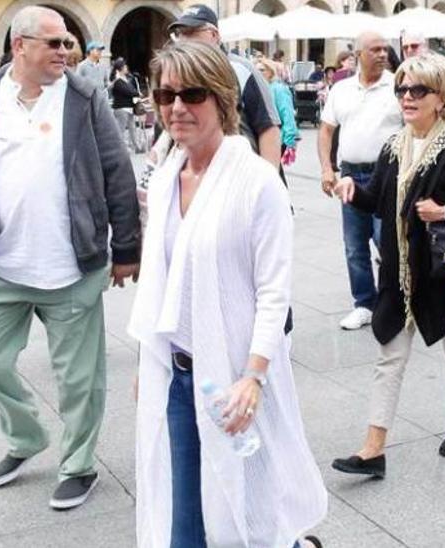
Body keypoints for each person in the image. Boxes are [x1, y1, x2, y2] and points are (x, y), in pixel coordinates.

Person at [0, 6, 141, 511]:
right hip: (2, 264)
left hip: (73, 266)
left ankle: (79, 464)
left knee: (78, 380)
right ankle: (26, 437)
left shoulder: (84, 97)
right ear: (19, 46)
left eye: (68, 43)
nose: (65, 52)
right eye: (54, 43)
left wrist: (126, 249)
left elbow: (117, 172)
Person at [127, 40, 325, 548]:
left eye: (191, 94)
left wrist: (254, 378)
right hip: (176, 374)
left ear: (220, 98)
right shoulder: (169, 174)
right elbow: (163, 280)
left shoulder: (258, 184)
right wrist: (147, 359)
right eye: (164, 94)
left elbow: (273, 292)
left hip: (235, 380)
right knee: (184, 520)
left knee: (251, 510)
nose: (176, 107)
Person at [329, 51, 445, 478]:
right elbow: (380, 199)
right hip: (398, 272)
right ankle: (373, 447)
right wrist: (352, 189)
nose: (406, 96)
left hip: (441, 271)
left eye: (417, 89)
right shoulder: (393, 147)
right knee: (390, 357)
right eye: (402, 88)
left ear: (441, 98)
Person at [318, 32, 404, 331]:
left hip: (389, 174)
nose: (382, 54)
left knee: (387, 241)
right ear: (358, 54)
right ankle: (364, 304)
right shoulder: (341, 89)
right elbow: (326, 130)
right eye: (375, 49)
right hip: (351, 174)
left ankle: (396, 299)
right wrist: (327, 169)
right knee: (355, 245)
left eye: (385, 49)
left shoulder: (398, 84)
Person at [167, 4, 282, 167]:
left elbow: (268, 127)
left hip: (243, 175)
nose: (185, 40)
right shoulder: (180, 75)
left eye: (191, 32)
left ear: (214, 35)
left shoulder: (240, 70)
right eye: (181, 34)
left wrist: (268, 182)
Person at [258, 58, 299, 164]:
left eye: (262, 70)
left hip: (278, 137)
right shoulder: (259, 88)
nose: (258, 72)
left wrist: (289, 141)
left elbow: (287, 114)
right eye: (256, 69)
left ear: (271, 71)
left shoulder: (279, 89)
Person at [110, 57, 144, 151]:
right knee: (121, 129)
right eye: (124, 66)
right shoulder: (117, 81)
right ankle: (119, 149)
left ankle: (137, 147)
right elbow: (128, 91)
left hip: (129, 108)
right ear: (120, 68)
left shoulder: (127, 79)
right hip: (121, 108)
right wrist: (137, 93)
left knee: (132, 128)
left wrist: (135, 92)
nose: (126, 67)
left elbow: (132, 89)